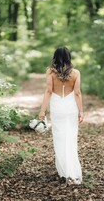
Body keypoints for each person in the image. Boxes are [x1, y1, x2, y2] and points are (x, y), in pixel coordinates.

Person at [39, 47, 83, 186]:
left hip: (57, 106)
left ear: (55, 57)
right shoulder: (76, 73)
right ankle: (72, 171)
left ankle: (63, 172)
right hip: (70, 107)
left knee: (59, 138)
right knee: (70, 137)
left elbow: (48, 91)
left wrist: (42, 111)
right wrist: (81, 111)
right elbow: (77, 93)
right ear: (69, 57)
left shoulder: (51, 72)